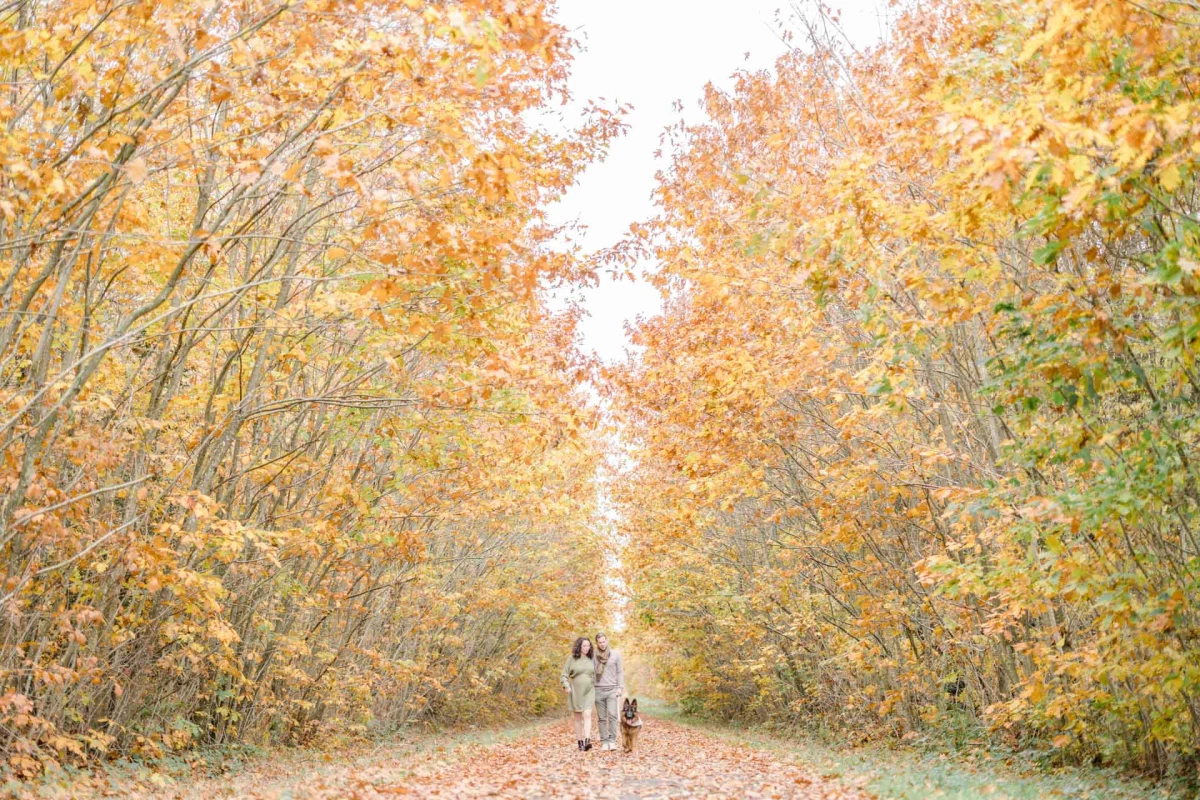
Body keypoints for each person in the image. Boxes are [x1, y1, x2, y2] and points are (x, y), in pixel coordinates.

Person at [561, 637, 596, 751]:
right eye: (584, 646)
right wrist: (566, 686)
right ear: (579, 646)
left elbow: (597, 673)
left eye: (588, 646)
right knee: (578, 717)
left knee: (587, 714)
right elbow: (564, 675)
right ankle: (580, 741)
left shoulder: (591, 659)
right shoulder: (572, 658)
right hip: (575, 690)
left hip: (589, 690)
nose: (586, 648)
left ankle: (587, 740)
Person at [592, 632, 625, 751]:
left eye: (603, 641)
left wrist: (620, 687)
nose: (602, 644)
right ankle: (604, 741)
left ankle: (612, 740)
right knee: (602, 718)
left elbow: (619, 672)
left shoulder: (615, 654)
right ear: (597, 643)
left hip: (612, 689)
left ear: (607, 641)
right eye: (599, 642)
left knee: (613, 715)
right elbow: (589, 672)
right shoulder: (593, 655)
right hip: (598, 690)